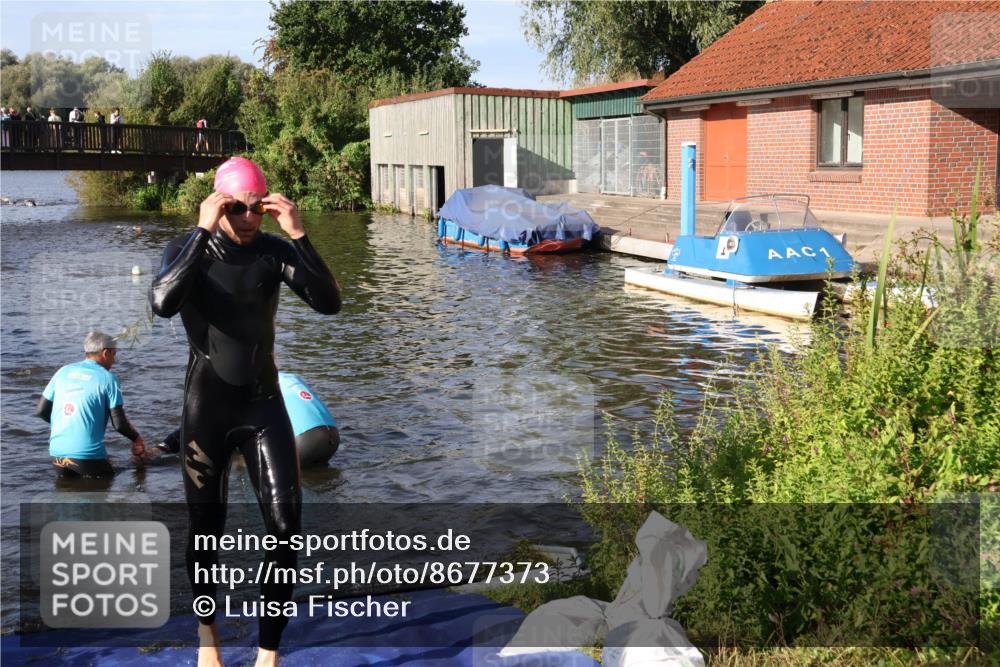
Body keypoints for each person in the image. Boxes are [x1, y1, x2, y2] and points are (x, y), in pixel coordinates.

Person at [149, 156, 341, 666]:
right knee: (205, 531)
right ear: (217, 204)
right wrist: (200, 231)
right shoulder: (186, 248)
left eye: (258, 208)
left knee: (286, 527)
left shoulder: (274, 251)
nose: (250, 218)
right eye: (238, 208)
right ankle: (207, 637)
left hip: (263, 407)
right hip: (206, 410)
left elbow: (329, 303)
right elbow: (163, 303)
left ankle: (268, 654)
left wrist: (298, 234)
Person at [152, 371, 340, 467]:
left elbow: (199, 425)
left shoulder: (239, 388)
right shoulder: (287, 377)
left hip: (302, 443)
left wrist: (164, 447)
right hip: (331, 438)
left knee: (243, 464)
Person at [36, 331, 146, 477]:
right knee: (134, 471)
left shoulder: (63, 371)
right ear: (105, 353)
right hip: (88, 457)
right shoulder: (108, 378)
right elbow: (120, 424)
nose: (114, 360)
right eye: (114, 354)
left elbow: (41, 411)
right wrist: (137, 439)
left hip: (57, 455)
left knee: (71, 488)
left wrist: (69, 423)